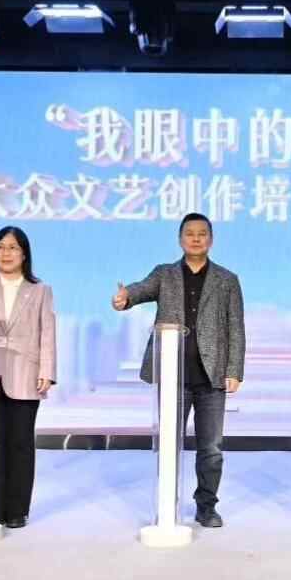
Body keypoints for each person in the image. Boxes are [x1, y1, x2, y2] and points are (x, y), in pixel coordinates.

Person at [111, 212, 245, 528]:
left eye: (202, 233)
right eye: (189, 233)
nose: (196, 238)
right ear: (180, 239)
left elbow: (236, 328)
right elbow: (141, 289)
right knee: (169, 443)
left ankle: (206, 507)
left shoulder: (227, 279)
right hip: (173, 375)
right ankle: (167, 504)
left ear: (211, 239)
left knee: (211, 447)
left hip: (212, 376)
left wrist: (235, 370)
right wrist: (125, 298)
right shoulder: (165, 273)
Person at [0, 226, 56, 529]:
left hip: (26, 371)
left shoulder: (40, 289)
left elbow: (47, 331)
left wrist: (47, 371)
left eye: (13, 247)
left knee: (21, 443)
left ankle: (17, 510)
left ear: (24, 254)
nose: (6, 253)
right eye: (0, 247)